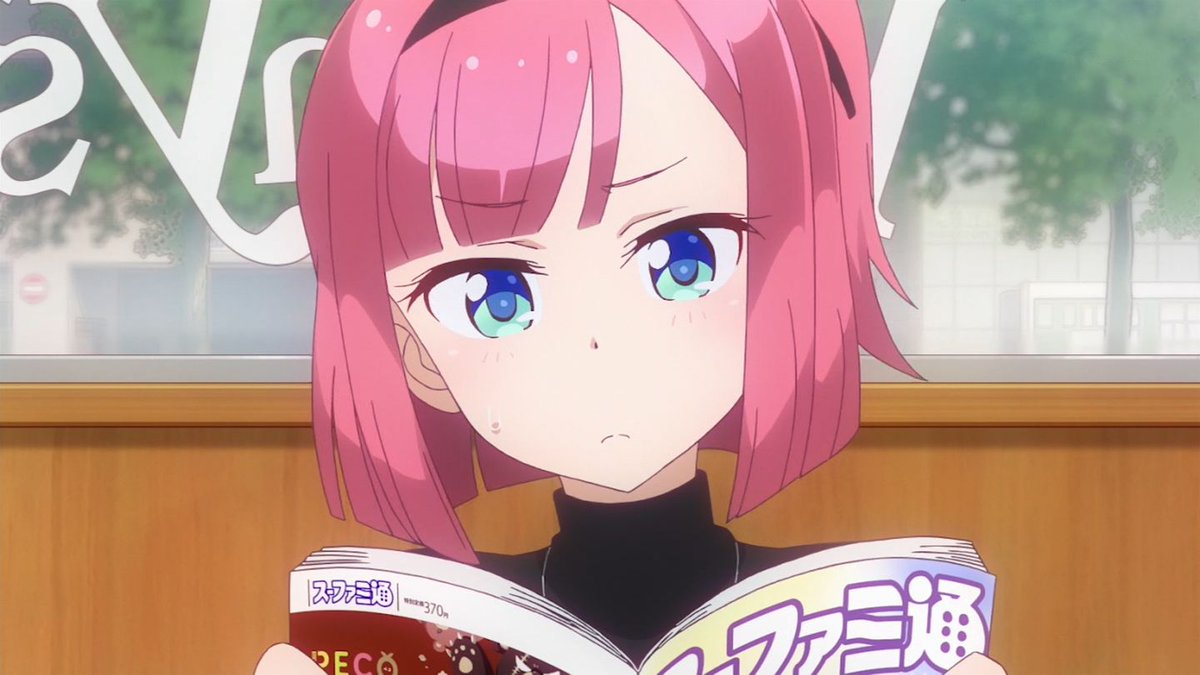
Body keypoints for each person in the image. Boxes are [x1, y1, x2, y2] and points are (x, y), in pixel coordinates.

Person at [256, 0, 1006, 672]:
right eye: (491, 297)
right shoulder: (428, 623)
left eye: (685, 257)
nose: (598, 344)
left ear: (793, 267)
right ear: (414, 349)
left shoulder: (856, 618)